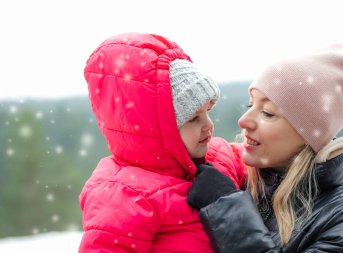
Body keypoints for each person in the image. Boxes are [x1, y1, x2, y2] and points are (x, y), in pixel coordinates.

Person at [187, 44, 343, 252]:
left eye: (268, 113)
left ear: (307, 134)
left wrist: (227, 210)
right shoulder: (235, 182)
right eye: (250, 105)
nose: (243, 121)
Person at [78, 32, 245, 252]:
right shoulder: (124, 195)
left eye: (208, 111)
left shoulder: (217, 157)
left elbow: (268, 161)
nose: (208, 125)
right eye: (193, 118)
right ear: (156, 129)